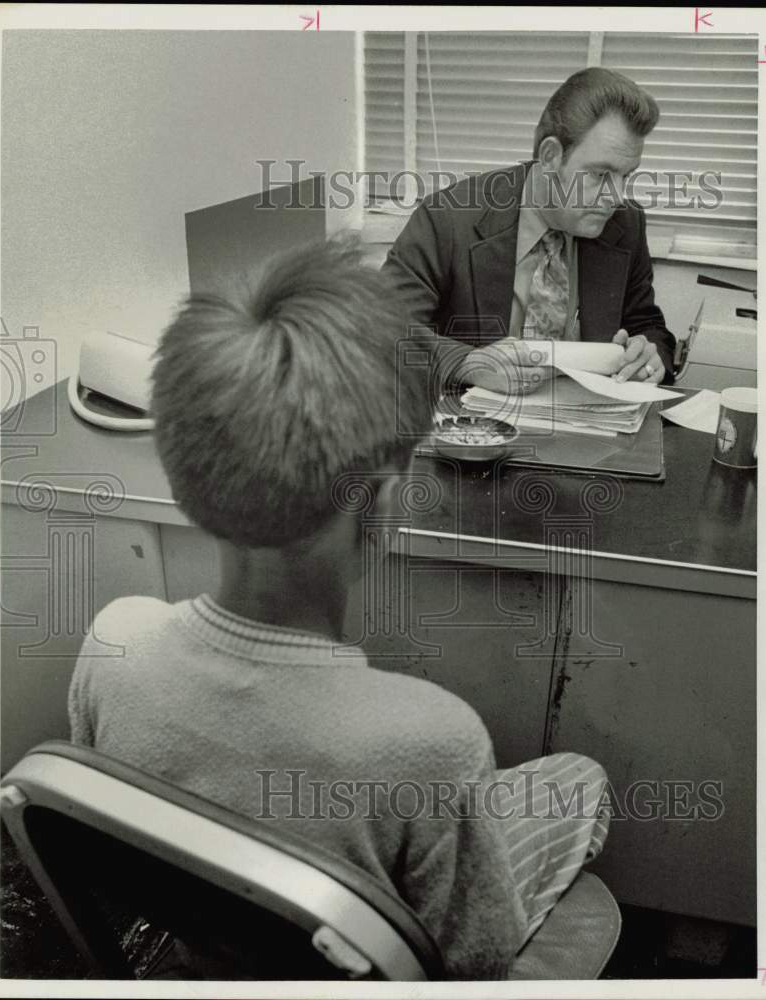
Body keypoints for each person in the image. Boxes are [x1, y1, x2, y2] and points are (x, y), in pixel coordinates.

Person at [68, 239, 610, 979]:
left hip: (206, 932)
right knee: (581, 777)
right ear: (383, 501)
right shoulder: (437, 744)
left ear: (183, 470)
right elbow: (473, 965)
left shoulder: (111, 642)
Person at [383, 67, 677, 396]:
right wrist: (467, 364)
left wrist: (649, 357)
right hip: (471, 429)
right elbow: (378, 331)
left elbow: (648, 326)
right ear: (550, 156)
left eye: (627, 175)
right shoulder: (448, 218)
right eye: (599, 174)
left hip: (587, 433)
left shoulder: (626, 223)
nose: (616, 196)